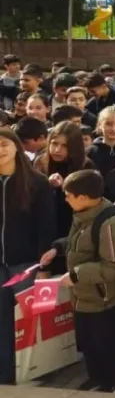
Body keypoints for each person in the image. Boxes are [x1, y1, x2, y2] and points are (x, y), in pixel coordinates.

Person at [40, 170, 115, 394]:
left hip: (104, 298)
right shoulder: (83, 214)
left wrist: (76, 275)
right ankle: (97, 378)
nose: (65, 199)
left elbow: (113, 265)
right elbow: (77, 243)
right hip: (84, 296)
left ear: (83, 197)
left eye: (68, 195)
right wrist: (57, 248)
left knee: (106, 344)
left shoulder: (111, 223)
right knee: (89, 343)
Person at [0, 128, 55, 383]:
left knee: (28, 323)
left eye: (3, 145)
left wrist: (43, 265)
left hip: (25, 265)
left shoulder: (36, 183)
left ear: (15, 148)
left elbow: (46, 226)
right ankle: (6, 372)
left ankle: (33, 372)